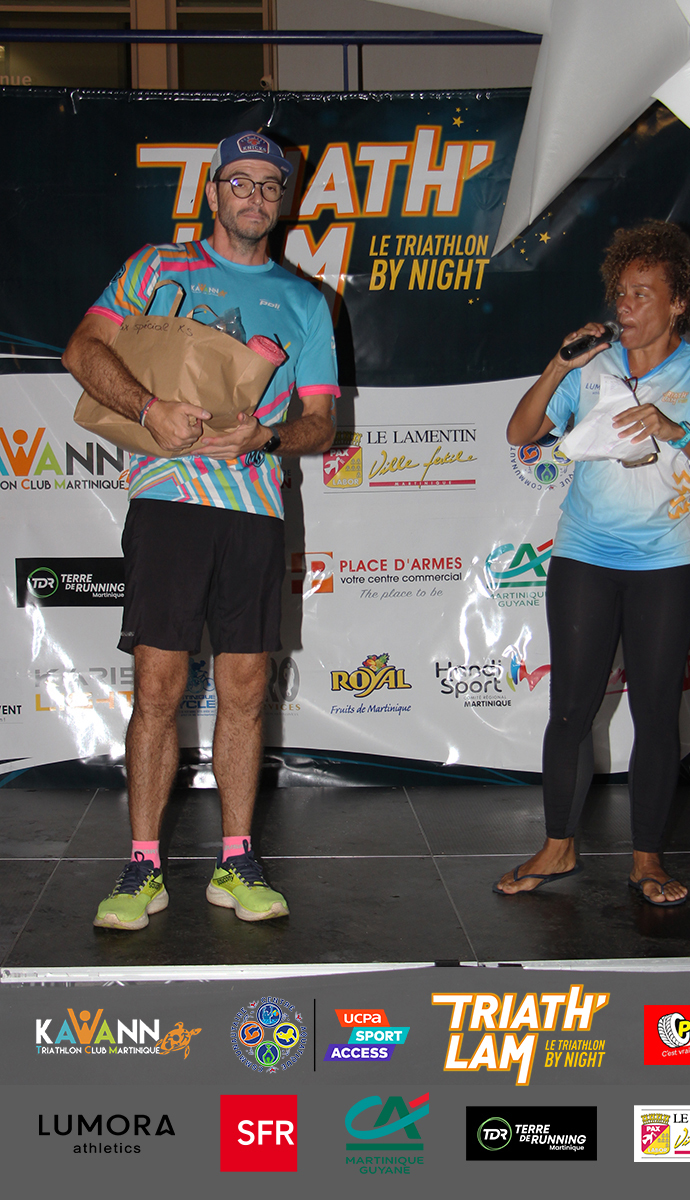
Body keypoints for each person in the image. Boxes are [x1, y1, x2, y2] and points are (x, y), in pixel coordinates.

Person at [62, 130, 339, 929]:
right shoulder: (157, 268)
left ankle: (236, 861)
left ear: (283, 201)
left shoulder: (307, 302)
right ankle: (142, 867)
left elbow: (322, 423)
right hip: (168, 501)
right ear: (213, 193)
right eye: (238, 182)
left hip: (254, 511)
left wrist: (267, 437)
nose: (254, 197)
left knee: (246, 691)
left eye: (269, 185)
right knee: (157, 687)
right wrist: (148, 408)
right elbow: (83, 350)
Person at [496, 220, 690, 907]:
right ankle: (558, 846)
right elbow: (520, 433)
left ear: (678, 303)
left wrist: (674, 429)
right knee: (571, 709)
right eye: (622, 292)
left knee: (656, 711)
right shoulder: (592, 366)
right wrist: (560, 365)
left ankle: (647, 859)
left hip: (667, 563)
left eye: (642, 293)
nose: (625, 306)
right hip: (585, 556)